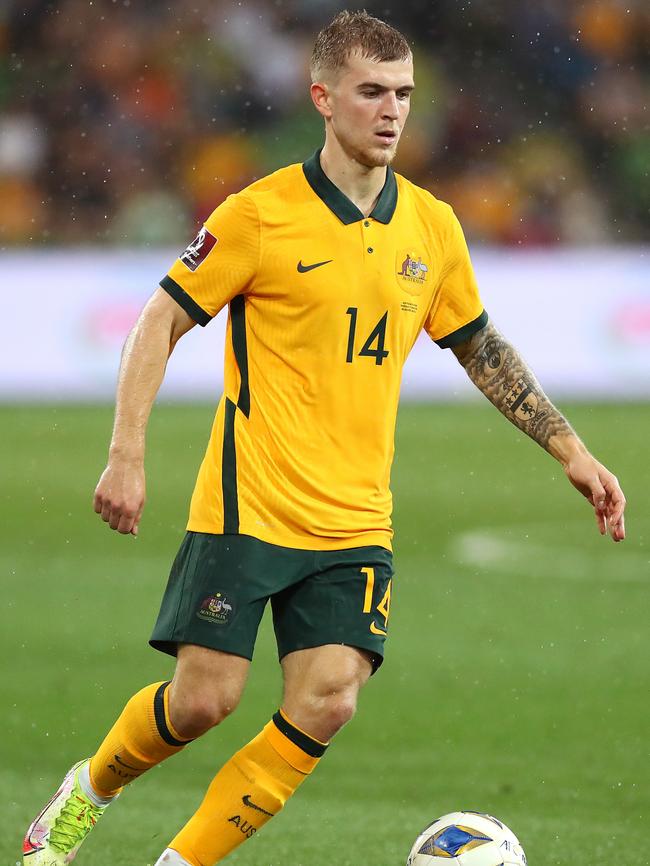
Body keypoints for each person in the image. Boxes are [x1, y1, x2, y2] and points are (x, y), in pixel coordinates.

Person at [23, 10, 626, 866]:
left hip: (355, 520)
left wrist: (572, 450)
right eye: (372, 92)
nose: (392, 111)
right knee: (203, 703)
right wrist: (127, 453)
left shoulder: (432, 228)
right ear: (323, 98)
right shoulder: (260, 215)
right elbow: (157, 319)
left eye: (404, 94)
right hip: (252, 504)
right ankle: (89, 793)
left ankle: (180, 862)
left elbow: (480, 346)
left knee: (329, 700)